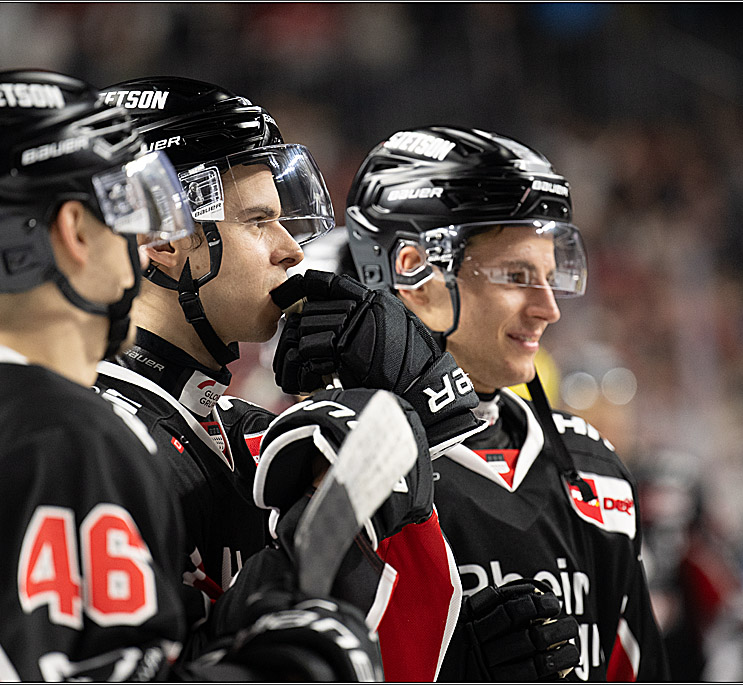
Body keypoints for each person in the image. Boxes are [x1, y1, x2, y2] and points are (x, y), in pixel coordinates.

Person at [0, 69, 381, 682]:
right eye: (125, 206)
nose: (142, 236)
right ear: (75, 231)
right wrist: (300, 659)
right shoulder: (61, 437)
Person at [94, 77, 575, 682]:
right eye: (259, 221)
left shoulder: (244, 432)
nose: (292, 250)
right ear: (163, 239)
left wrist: (452, 662)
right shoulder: (94, 441)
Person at [325, 125, 670, 680]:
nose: (548, 308)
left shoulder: (593, 468)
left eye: (550, 277)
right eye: (516, 275)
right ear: (416, 272)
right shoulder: (337, 461)